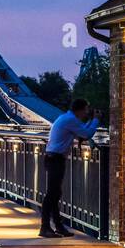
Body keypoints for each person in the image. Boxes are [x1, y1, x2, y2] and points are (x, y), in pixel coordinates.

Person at [40, 98, 100, 238]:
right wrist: (96, 120)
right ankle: (45, 227)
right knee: (51, 195)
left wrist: (91, 120)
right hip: (55, 159)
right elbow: (86, 134)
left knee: (55, 194)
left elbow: (82, 131)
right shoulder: (70, 120)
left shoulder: (66, 118)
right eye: (86, 109)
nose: (87, 112)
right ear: (80, 109)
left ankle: (57, 226)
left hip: (53, 158)